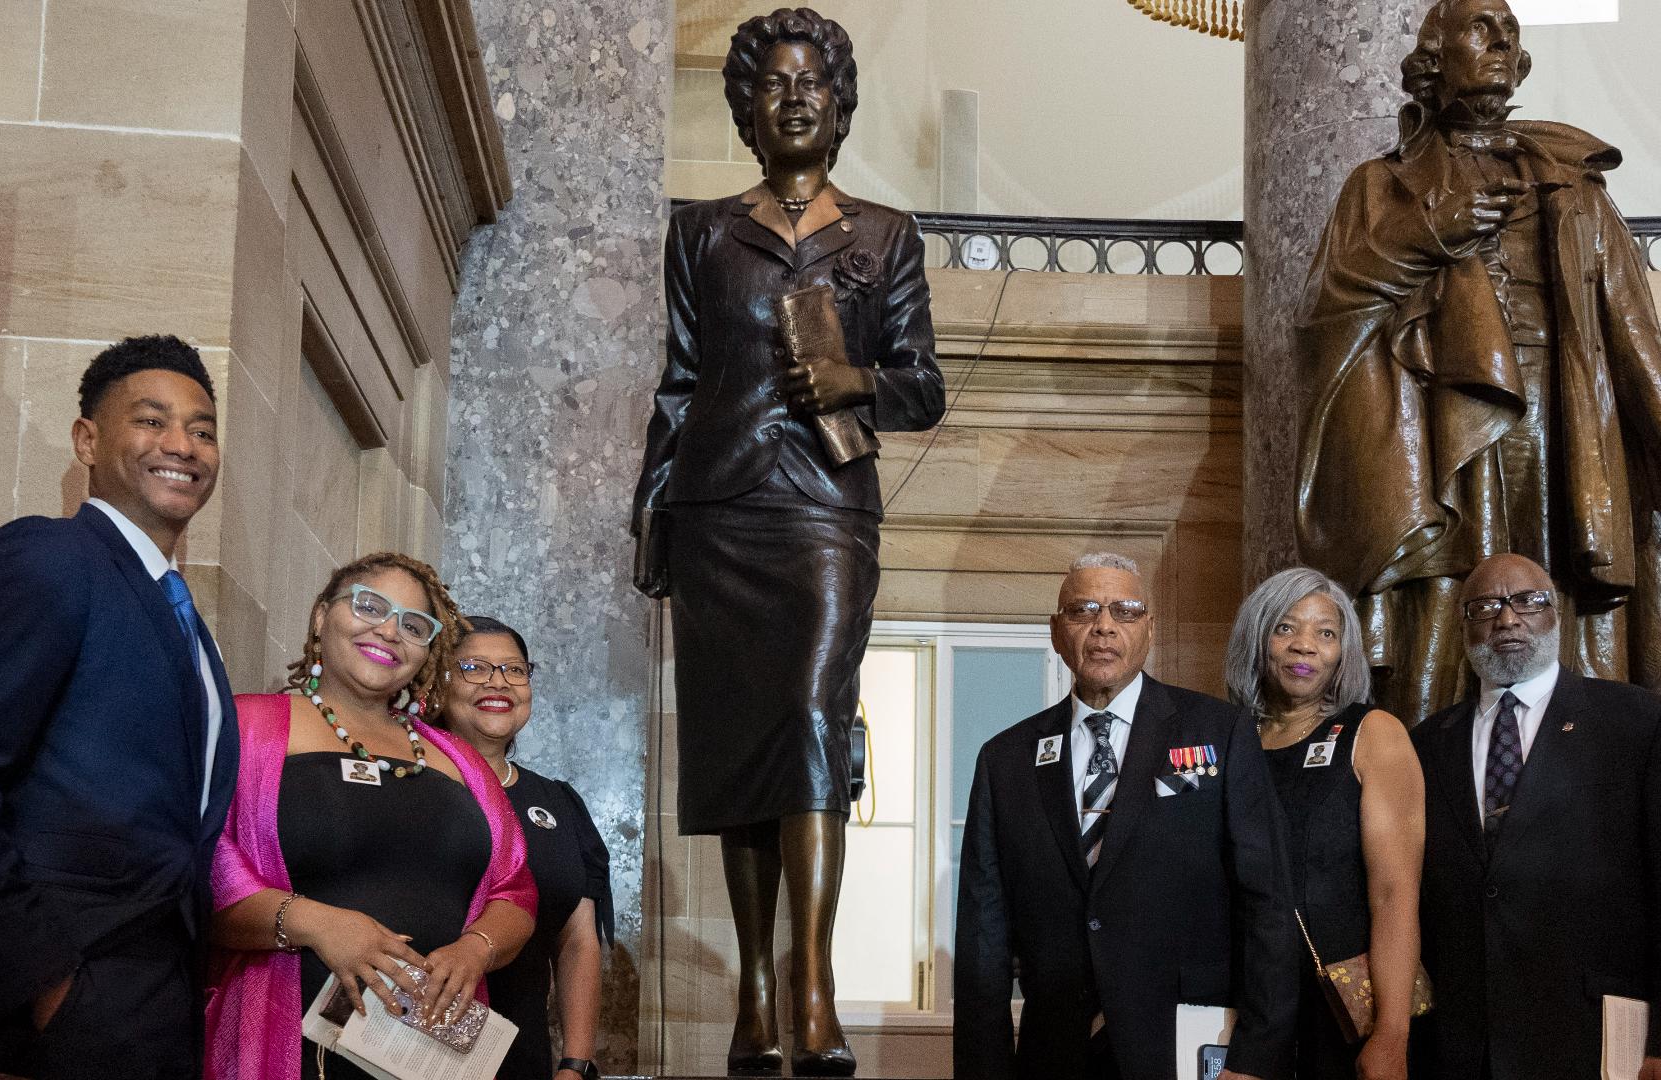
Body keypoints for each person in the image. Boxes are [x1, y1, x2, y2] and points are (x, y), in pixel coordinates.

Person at [630, 9, 945, 1073]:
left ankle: (814, 987)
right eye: (776, 84)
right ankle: (755, 999)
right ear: (747, 110)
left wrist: (859, 377)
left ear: (841, 104)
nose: (797, 96)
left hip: (822, 507)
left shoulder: (885, 235)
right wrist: (654, 516)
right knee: (737, 747)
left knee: (812, 719)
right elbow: (677, 385)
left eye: (815, 82)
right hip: (719, 509)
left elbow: (924, 387)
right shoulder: (703, 232)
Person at [1296, 0, 1661, 725]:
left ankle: (1581, 770)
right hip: (1441, 427)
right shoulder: (1382, 185)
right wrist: (1430, 232)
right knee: (1446, 599)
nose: (1499, 43)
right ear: (1433, 61)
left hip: (1563, 417)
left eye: (1509, 34)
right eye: (1479, 29)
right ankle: (1431, 769)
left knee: (1564, 594)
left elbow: (1635, 335)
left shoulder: (1572, 181)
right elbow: (1323, 313)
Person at [0, 336, 237, 1079]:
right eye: (151, 420)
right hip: (73, 999)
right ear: (87, 439)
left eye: (202, 429)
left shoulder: (185, 621)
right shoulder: (47, 559)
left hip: (161, 998)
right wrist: (46, 982)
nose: (182, 445)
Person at [954, 553, 1298, 1080]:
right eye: (1083, 610)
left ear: (1151, 629)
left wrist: (1255, 1057)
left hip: (1187, 1049)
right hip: (1055, 1055)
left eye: (1126, 611)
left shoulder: (1219, 733)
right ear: (1055, 631)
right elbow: (984, 938)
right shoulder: (1006, 760)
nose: (1104, 627)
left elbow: (1268, 903)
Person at [203, 553, 538, 1080]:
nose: (389, 630)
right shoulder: (248, 725)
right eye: (369, 606)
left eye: (412, 625)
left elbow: (515, 889)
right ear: (321, 617)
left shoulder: (460, 760)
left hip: (431, 1052)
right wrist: (317, 923)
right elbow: (199, 863)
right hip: (289, 1039)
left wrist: (477, 949)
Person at [1408, 553, 1661, 1080]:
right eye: (1486, 606)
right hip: (1461, 1043)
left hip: (1594, 1033)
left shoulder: (1635, 722)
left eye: (1528, 600)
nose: (1507, 619)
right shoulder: (1426, 743)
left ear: (1556, 615)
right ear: (1463, 625)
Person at [1224, 568, 1425, 1080]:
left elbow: (1395, 895)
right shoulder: (1227, 739)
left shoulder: (1372, 733)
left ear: (1343, 651)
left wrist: (1392, 1035)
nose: (1304, 647)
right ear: (1258, 638)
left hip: (1340, 1013)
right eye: (1285, 628)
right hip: (1239, 1005)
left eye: (1325, 633)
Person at [433, 615, 614, 1080]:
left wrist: (575, 1062)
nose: (499, 683)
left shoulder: (558, 802)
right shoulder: (412, 785)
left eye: (515, 670)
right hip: (412, 1043)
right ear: (436, 684)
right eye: (474, 667)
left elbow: (577, 941)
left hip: (523, 1055)